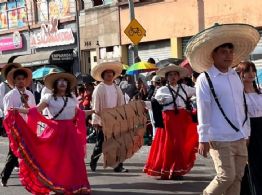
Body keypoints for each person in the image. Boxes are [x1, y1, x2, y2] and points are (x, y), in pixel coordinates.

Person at [185, 23, 260, 195]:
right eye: (223, 51)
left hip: (239, 136)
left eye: (230, 51)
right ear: (213, 54)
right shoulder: (206, 78)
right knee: (226, 176)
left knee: (237, 177)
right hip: (219, 136)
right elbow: (203, 109)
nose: (228, 55)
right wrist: (202, 138)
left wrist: (246, 131)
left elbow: (242, 106)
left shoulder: (235, 75)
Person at [3, 72, 92, 194]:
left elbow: (78, 114)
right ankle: (59, 186)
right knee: (57, 161)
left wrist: (93, 111)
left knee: (75, 161)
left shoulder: (71, 98)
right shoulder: (49, 98)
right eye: (59, 81)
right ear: (55, 84)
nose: (62, 83)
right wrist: (18, 110)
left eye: (64, 81)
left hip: (71, 134)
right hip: (55, 133)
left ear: (68, 84)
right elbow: (35, 111)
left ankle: (76, 186)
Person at [143, 64, 198, 180]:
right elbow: (154, 104)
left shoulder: (185, 88)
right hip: (168, 120)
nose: (173, 77)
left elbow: (199, 92)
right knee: (169, 145)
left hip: (182, 120)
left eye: (175, 75)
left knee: (180, 145)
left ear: (178, 77)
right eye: (170, 75)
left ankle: (177, 170)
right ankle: (169, 170)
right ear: (166, 77)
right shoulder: (162, 90)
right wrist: (142, 104)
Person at [90, 61, 128, 173]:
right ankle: (94, 160)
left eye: (111, 73)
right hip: (103, 120)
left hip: (115, 119)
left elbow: (121, 104)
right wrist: (96, 120)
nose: (109, 75)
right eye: (107, 73)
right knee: (101, 143)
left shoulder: (117, 88)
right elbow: (95, 105)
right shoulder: (99, 89)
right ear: (103, 75)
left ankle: (118, 165)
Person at [1, 67, 36, 187]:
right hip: (15, 129)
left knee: (29, 153)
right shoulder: (10, 95)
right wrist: (19, 107)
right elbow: (7, 114)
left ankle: (31, 178)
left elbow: (34, 110)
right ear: (14, 81)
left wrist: (26, 104)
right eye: (18, 79)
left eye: (23, 79)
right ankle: (4, 176)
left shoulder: (30, 94)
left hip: (28, 127)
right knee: (13, 154)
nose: (21, 81)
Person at [237, 61, 262, 195]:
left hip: (260, 127)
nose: (251, 74)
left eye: (253, 70)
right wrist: (245, 134)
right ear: (240, 74)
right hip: (248, 129)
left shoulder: (260, 91)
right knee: (251, 163)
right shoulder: (238, 95)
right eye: (247, 71)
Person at [0, 63, 22, 137]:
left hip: (21, 115)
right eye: (12, 72)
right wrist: (8, 112)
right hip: (9, 115)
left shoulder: (19, 85)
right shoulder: (3, 85)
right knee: (13, 138)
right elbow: (1, 102)